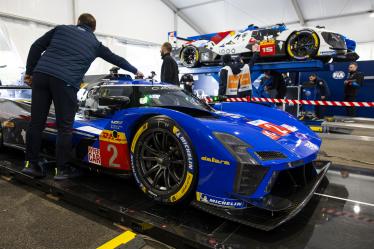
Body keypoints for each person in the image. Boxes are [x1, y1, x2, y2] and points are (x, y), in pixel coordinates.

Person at [21, 13, 143, 180]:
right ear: (93, 28)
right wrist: (135, 70)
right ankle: (62, 169)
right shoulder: (95, 44)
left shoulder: (61, 29)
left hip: (41, 75)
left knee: (36, 123)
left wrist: (29, 73)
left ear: (77, 22)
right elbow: (117, 59)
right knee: (65, 127)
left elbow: (35, 47)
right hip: (65, 81)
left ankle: (31, 165)